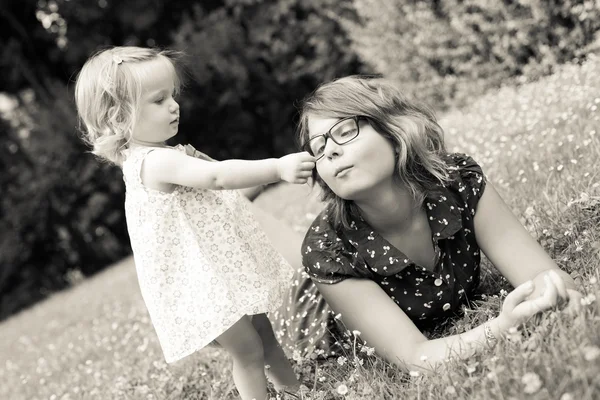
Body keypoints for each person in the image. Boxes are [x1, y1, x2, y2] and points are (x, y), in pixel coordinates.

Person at [270, 75, 584, 372]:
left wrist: (555, 295)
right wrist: (503, 325)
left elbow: (542, 274)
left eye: (344, 132)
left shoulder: (458, 182)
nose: (332, 151)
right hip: (308, 312)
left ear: (393, 132)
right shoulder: (328, 252)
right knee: (271, 264)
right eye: (319, 149)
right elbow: (414, 356)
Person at [74, 46, 316, 400]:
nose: (174, 105)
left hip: (219, 274)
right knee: (248, 350)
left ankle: (295, 390)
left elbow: (221, 195)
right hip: (201, 286)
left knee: (264, 333)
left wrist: (258, 182)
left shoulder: (168, 155)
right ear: (118, 118)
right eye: (158, 100)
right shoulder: (153, 162)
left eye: (172, 96)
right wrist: (277, 167)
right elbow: (218, 177)